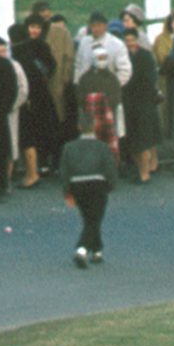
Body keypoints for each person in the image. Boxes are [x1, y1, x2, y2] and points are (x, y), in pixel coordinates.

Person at [59, 95, 120, 268]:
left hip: (77, 185)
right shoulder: (102, 147)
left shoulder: (69, 147)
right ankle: (82, 249)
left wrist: (67, 192)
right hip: (97, 185)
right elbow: (110, 168)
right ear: (94, 126)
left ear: (79, 127)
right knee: (95, 219)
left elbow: (64, 171)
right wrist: (111, 184)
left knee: (90, 219)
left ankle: (97, 250)